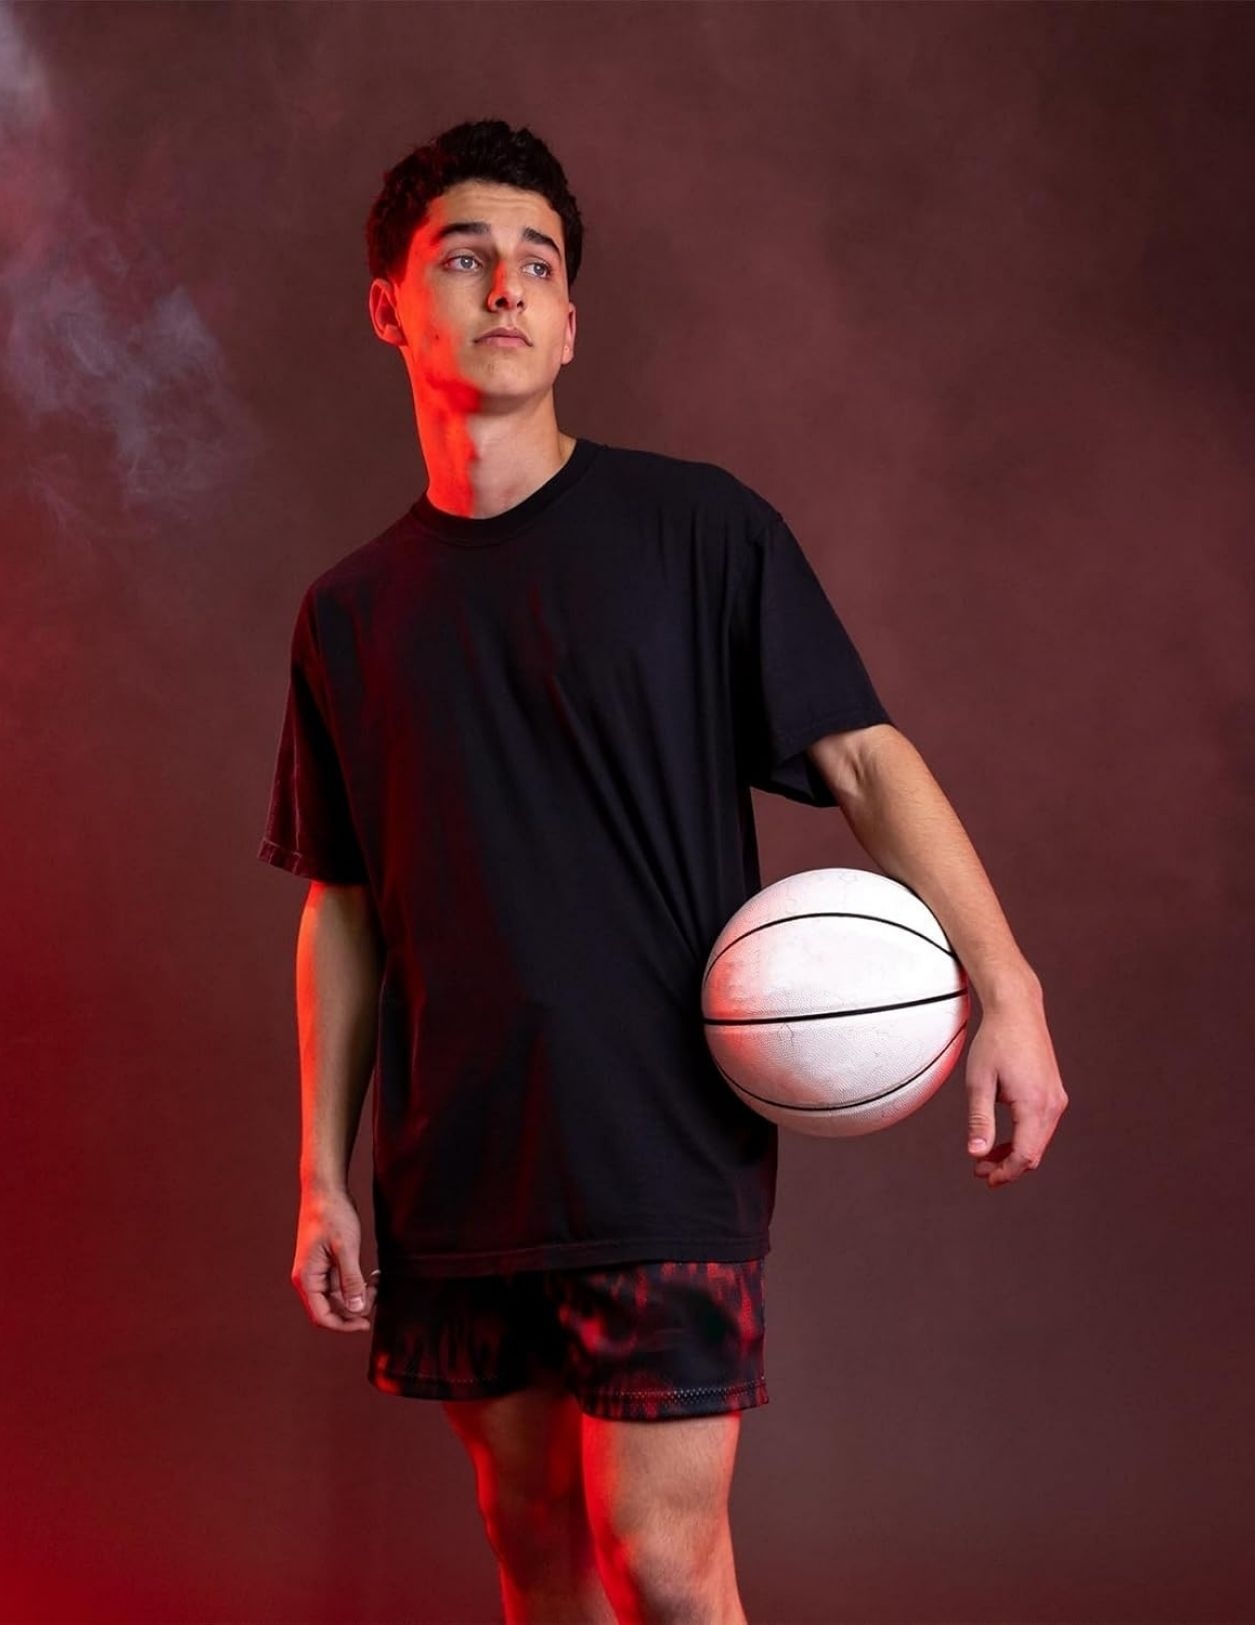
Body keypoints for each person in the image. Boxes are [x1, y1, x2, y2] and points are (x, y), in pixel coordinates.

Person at [257, 118, 1067, 1625]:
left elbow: (864, 760)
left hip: (661, 1144)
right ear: (389, 307)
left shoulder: (700, 532)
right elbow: (344, 905)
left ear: (571, 321)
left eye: (538, 262)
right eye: (463, 257)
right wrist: (321, 1173)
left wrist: (1006, 987)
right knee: (535, 1550)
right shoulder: (348, 614)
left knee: (668, 1567)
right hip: (456, 1161)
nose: (507, 285)